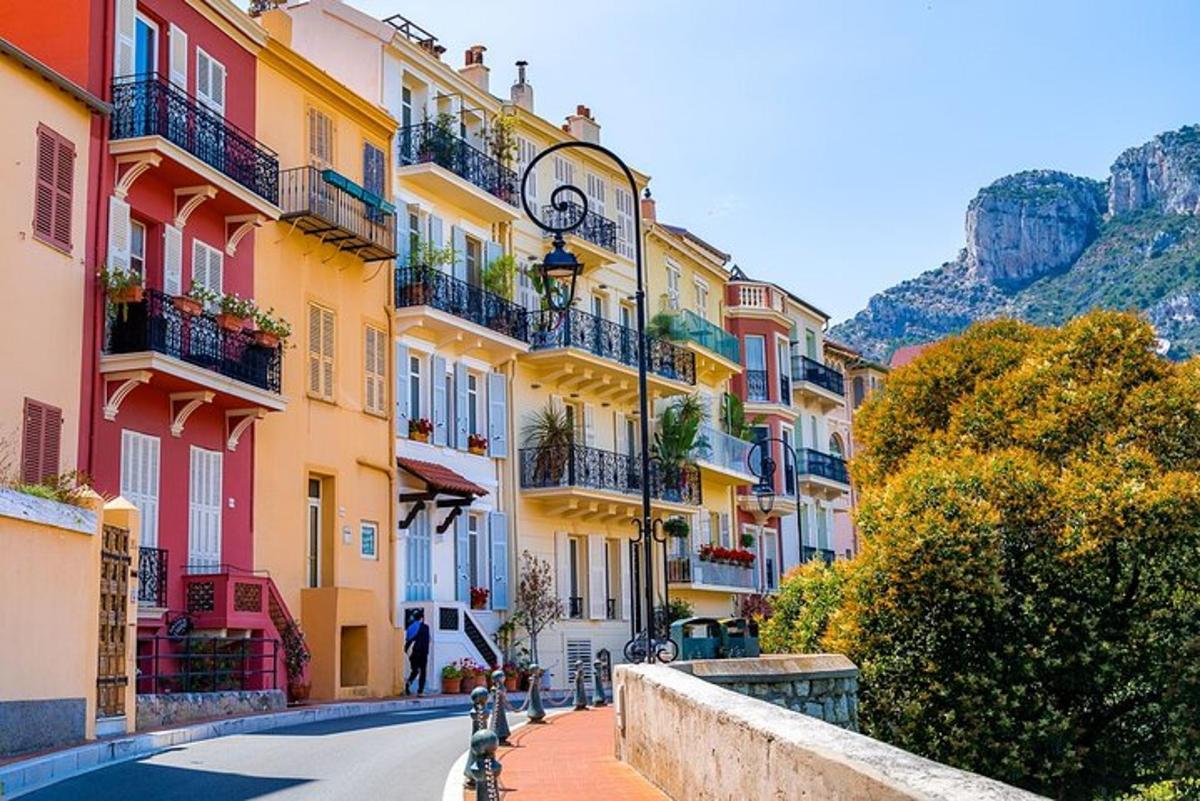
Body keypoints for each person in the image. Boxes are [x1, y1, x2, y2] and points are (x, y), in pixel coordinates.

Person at [404, 610, 431, 695]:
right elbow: (428, 640)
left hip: (412, 652)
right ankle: (420, 691)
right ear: (422, 618)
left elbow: (408, 639)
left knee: (415, 670)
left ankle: (409, 682)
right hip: (422, 651)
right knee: (423, 671)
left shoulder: (409, 627)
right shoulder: (425, 627)